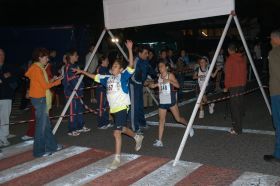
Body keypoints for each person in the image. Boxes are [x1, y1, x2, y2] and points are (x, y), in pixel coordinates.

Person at [73, 40, 144, 169]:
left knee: (116, 132)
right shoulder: (107, 78)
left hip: (123, 107)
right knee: (121, 129)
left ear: (121, 69)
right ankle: (137, 136)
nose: (113, 67)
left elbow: (131, 64)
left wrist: (129, 49)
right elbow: (94, 76)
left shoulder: (123, 76)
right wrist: (83, 72)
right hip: (114, 109)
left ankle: (117, 159)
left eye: (116, 66)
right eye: (113, 66)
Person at [25, 48, 63, 157]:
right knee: (41, 127)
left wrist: (53, 80)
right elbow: (45, 86)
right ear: (40, 58)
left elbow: (43, 83)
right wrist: (56, 83)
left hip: (39, 98)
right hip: (39, 99)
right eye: (46, 57)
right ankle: (38, 152)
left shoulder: (38, 68)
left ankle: (52, 146)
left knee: (46, 126)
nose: (48, 59)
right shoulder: (37, 69)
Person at [148, 60, 194, 147]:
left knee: (178, 119)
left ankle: (189, 126)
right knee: (161, 120)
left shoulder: (170, 75)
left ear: (166, 67)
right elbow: (161, 86)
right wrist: (154, 86)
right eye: (159, 66)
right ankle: (160, 141)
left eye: (161, 66)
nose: (160, 68)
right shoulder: (160, 76)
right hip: (162, 101)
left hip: (171, 101)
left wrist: (170, 81)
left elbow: (178, 86)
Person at [63, 49, 91, 136]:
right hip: (72, 93)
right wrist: (75, 90)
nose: (77, 56)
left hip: (78, 92)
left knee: (79, 110)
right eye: (76, 55)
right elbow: (72, 81)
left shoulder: (74, 66)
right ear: (70, 56)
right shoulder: (68, 67)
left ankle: (80, 126)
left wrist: (80, 89)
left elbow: (78, 79)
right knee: (73, 111)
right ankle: (71, 129)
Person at [130, 45, 156, 133]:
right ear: (139, 53)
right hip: (133, 85)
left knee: (140, 105)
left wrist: (159, 75)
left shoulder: (145, 61)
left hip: (140, 84)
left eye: (148, 53)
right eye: (145, 53)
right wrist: (142, 82)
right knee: (135, 107)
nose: (147, 55)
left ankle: (142, 123)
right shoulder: (136, 61)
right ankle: (135, 128)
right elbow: (133, 76)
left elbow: (151, 70)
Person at [264, 29, 280, 163]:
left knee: (278, 123)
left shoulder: (274, 53)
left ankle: (278, 153)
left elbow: (278, 73)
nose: (270, 41)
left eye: (271, 39)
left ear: (275, 39)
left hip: (277, 93)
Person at [224, 43, 247, 135]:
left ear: (229, 50)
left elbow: (228, 75)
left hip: (234, 86)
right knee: (240, 105)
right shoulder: (241, 58)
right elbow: (245, 71)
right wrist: (244, 83)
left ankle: (237, 129)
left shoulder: (230, 60)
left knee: (234, 108)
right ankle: (240, 122)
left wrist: (226, 86)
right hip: (242, 85)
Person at [0, 48, 17, 147]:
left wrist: (3, 79)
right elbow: (5, 78)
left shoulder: (9, 67)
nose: (1, 56)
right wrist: (3, 77)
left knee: (5, 118)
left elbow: (14, 79)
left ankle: (3, 138)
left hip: (6, 97)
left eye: (2, 54)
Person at [95, 56, 113, 129]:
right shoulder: (100, 69)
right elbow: (104, 79)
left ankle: (106, 122)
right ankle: (101, 123)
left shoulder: (106, 69)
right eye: (107, 60)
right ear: (102, 61)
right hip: (101, 90)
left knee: (106, 106)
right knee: (101, 107)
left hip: (106, 90)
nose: (108, 62)